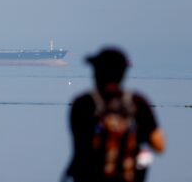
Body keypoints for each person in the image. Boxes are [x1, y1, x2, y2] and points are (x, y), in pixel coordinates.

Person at [62, 47, 165, 182]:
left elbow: (80, 149)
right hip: (128, 177)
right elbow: (160, 146)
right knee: (145, 155)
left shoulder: (82, 103)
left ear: (97, 73)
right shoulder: (138, 103)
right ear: (123, 74)